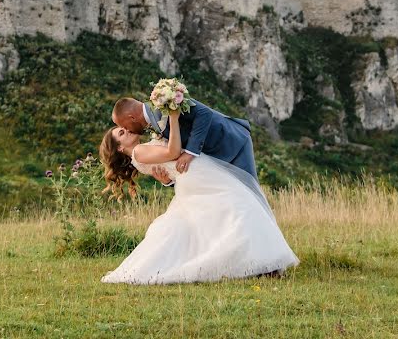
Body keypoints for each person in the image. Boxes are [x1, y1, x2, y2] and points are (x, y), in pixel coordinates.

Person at [98, 109, 299, 284]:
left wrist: (165, 180)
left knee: (233, 212)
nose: (127, 130)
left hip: (199, 175)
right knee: (241, 207)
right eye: (121, 133)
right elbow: (173, 151)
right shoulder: (139, 152)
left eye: (124, 128)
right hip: (198, 179)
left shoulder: (142, 152)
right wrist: (174, 119)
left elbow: (167, 173)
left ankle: (259, 264)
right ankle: (261, 264)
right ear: (120, 148)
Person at [111, 96, 257, 186]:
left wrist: (190, 152)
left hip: (230, 142)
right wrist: (168, 181)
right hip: (211, 165)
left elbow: (204, 113)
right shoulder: (150, 132)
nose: (128, 130)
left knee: (250, 195)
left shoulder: (164, 98)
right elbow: (175, 163)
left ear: (132, 118)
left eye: (124, 126)